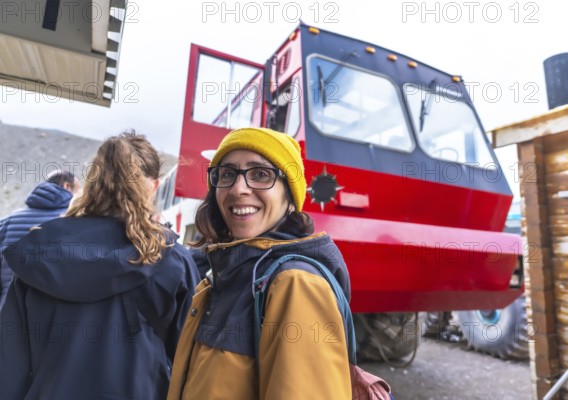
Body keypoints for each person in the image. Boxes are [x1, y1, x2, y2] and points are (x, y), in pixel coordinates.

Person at [0, 132, 200, 399]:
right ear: (153, 185)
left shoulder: (40, 249)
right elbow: (192, 361)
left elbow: (9, 363)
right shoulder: (170, 258)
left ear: (94, 183)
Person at [168, 127, 353, 399]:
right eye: (228, 174)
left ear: (289, 198)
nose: (238, 188)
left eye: (261, 174)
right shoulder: (220, 276)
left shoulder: (295, 285)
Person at [0, 170, 80, 308]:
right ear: (67, 186)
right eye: (79, 190)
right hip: (60, 312)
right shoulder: (79, 220)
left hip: (10, 310)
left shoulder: (8, 221)